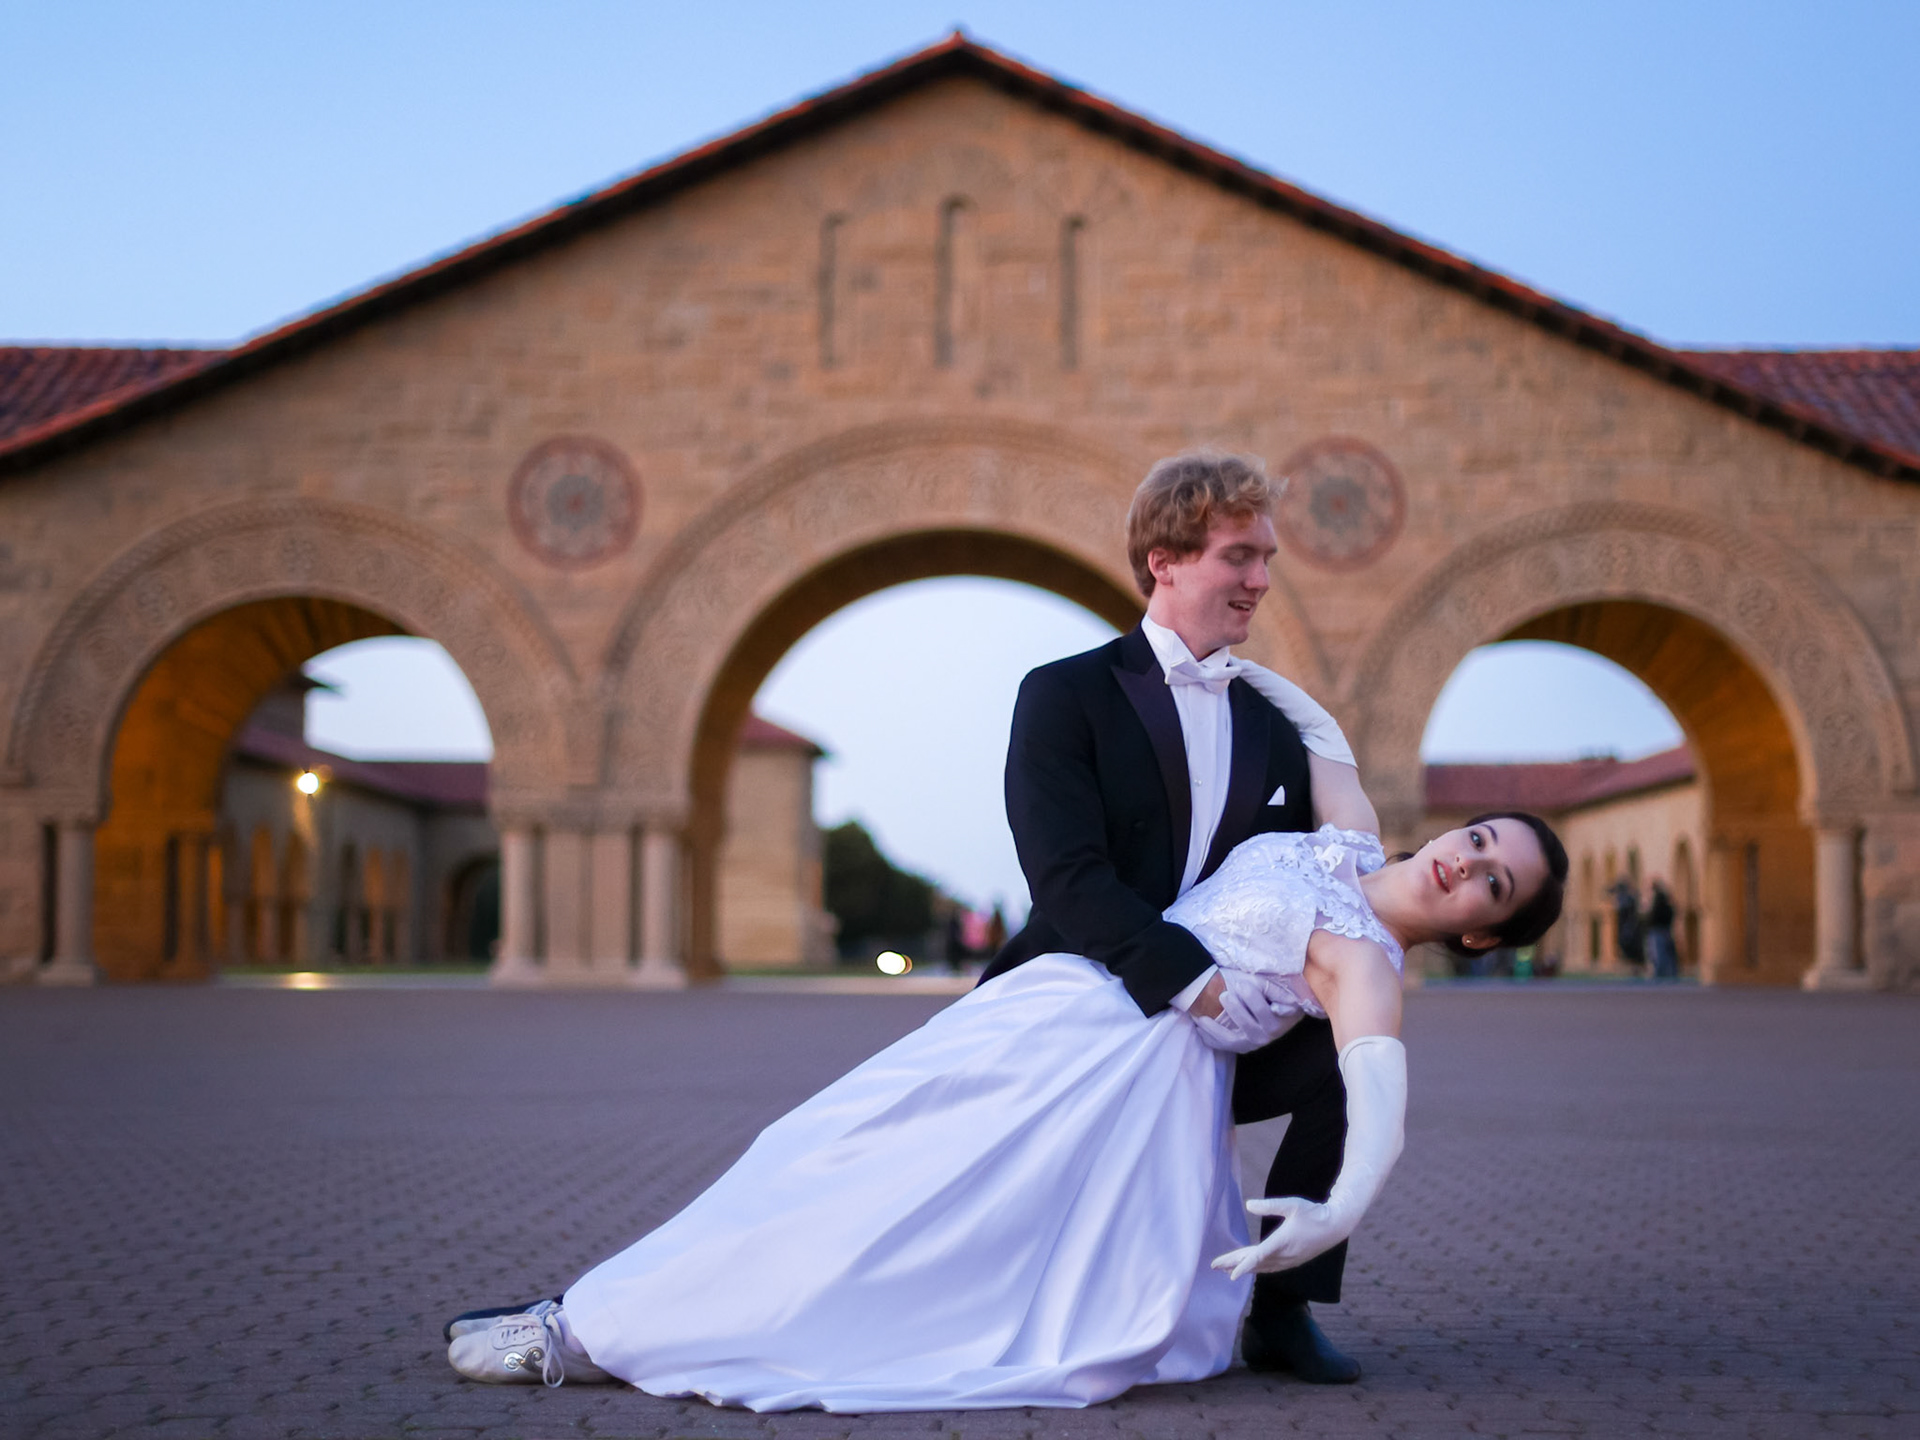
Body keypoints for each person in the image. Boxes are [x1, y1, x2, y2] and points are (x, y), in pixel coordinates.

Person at [444, 813, 1565, 1410]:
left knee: (926, 1216)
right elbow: (1314, 725)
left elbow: (1380, 1103)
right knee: (834, 1142)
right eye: (1479, 840)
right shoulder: (1347, 839)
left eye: (1494, 885)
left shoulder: (1366, 967)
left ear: (1481, 933)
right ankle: (599, 1306)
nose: (1467, 866)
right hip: (1063, 999)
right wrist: (1222, 643)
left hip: (1133, 1076)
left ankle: (594, 1334)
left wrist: (1340, 1208)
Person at [979, 450, 1382, 1382]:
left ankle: (1283, 1309)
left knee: (1347, 1052)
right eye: (1239, 556)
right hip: (1079, 1001)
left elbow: (1320, 874)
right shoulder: (1064, 694)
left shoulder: (1276, 726)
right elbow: (1065, 876)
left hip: (1222, 1024)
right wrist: (1187, 983)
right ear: (1164, 560)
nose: (1261, 580)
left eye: (1266, 558)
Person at [1643, 879, 1679, 980]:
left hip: (1658, 930)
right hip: (1663, 929)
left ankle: (1660, 975)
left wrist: (1649, 923)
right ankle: (1666, 973)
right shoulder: (1664, 899)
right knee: (1662, 953)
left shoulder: (1658, 899)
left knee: (1658, 954)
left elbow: (1654, 915)